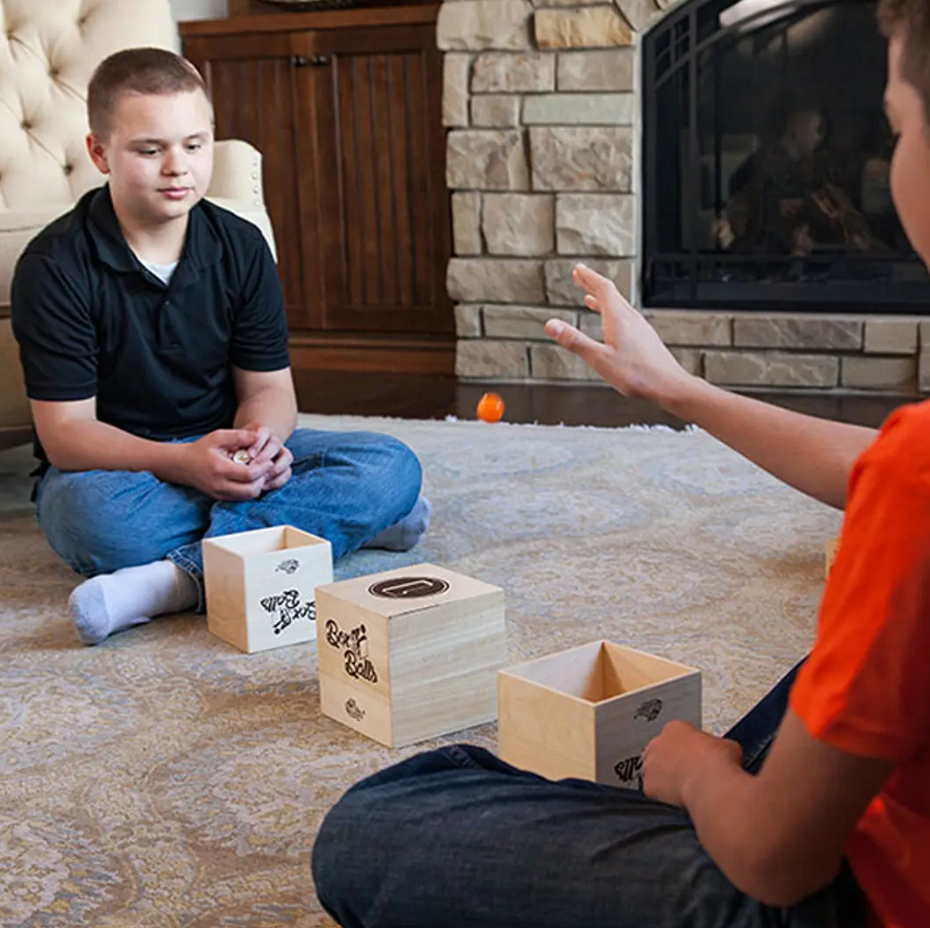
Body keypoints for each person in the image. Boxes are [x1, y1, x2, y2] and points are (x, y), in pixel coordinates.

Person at [310, 1, 929, 926]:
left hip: (846, 899)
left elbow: (776, 861)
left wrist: (696, 770)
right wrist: (678, 389)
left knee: (377, 820)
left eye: (897, 126)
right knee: (839, 666)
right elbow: (887, 471)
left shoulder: (915, 484)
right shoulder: (911, 476)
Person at [11, 48, 430, 646]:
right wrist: (185, 463)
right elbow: (67, 434)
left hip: (227, 445)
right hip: (119, 467)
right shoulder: (54, 266)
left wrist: (261, 445)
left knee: (391, 465)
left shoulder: (241, 246)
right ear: (100, 153)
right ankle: (320, 530)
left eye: (194, 144)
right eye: (150, 150)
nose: (177, 167)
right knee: (91, 521)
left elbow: (268, 388)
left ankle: (175, 582)